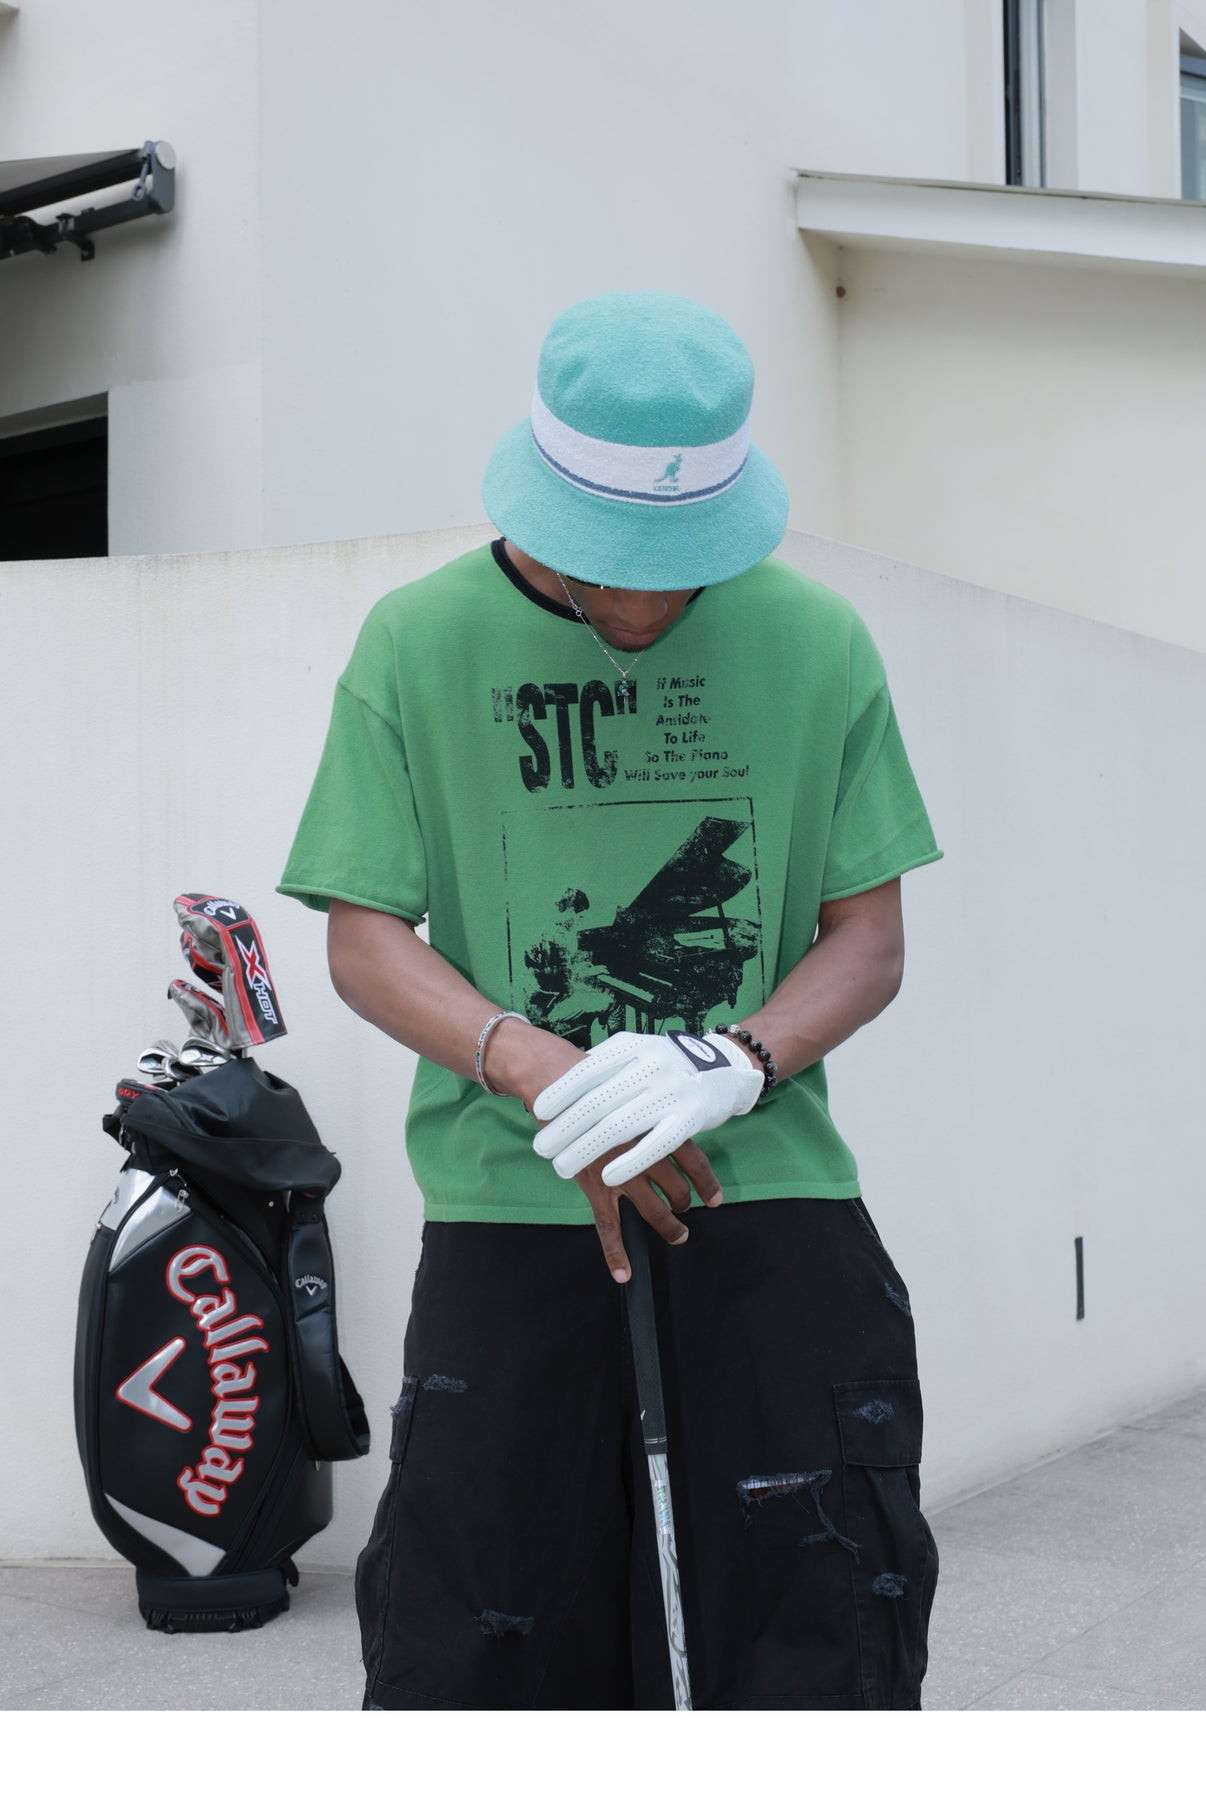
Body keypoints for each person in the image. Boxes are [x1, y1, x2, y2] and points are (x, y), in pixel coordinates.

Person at [279, 289, 943, 1710]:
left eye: (679, 568)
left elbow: (868, 938)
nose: (642, 607)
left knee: (815, 1638)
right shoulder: (417, 641)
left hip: (768, 1204)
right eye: (608, 568)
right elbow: (364, 935)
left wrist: (734, 1059)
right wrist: (537, 1067)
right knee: (487, 1649)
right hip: (508, 1216)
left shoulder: (818, 641)